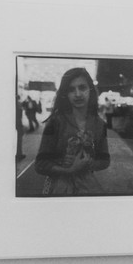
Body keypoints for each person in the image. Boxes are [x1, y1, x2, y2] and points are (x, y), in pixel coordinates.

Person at [33, 66, 111, 196]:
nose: (78, 94)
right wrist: (68, 169)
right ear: (65, 94)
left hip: (88, 189)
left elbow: (105, 160)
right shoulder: (56, 122)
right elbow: (40, 164)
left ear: (90, 90)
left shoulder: (99, 125)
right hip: (58, 189)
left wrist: (87, 163)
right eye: (71, 89)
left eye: (82, 87)